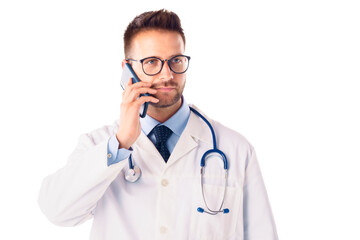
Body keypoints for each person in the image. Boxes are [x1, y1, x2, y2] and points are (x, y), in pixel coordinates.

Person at [38, 9, 278, 240]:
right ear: (127, 70)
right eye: (152, 62)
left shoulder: (235, 149)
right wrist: (120, 143)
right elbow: (57, 211)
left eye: (176, 60)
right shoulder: (99, 144)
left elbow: (262, 234)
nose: (167, 75)